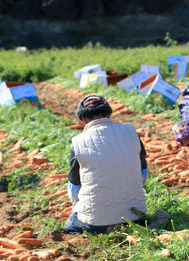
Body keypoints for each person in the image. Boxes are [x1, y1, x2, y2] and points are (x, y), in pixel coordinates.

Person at [65, 95, 155, 235]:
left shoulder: (77, 142)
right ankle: (121, 224)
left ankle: (103, 227)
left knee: (71, 226)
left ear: (83, 120)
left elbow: (74, 186)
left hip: (95, 221)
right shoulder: (131, 131)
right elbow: (143, 173)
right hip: (136, 216)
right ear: (109, 114)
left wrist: (81, 204)